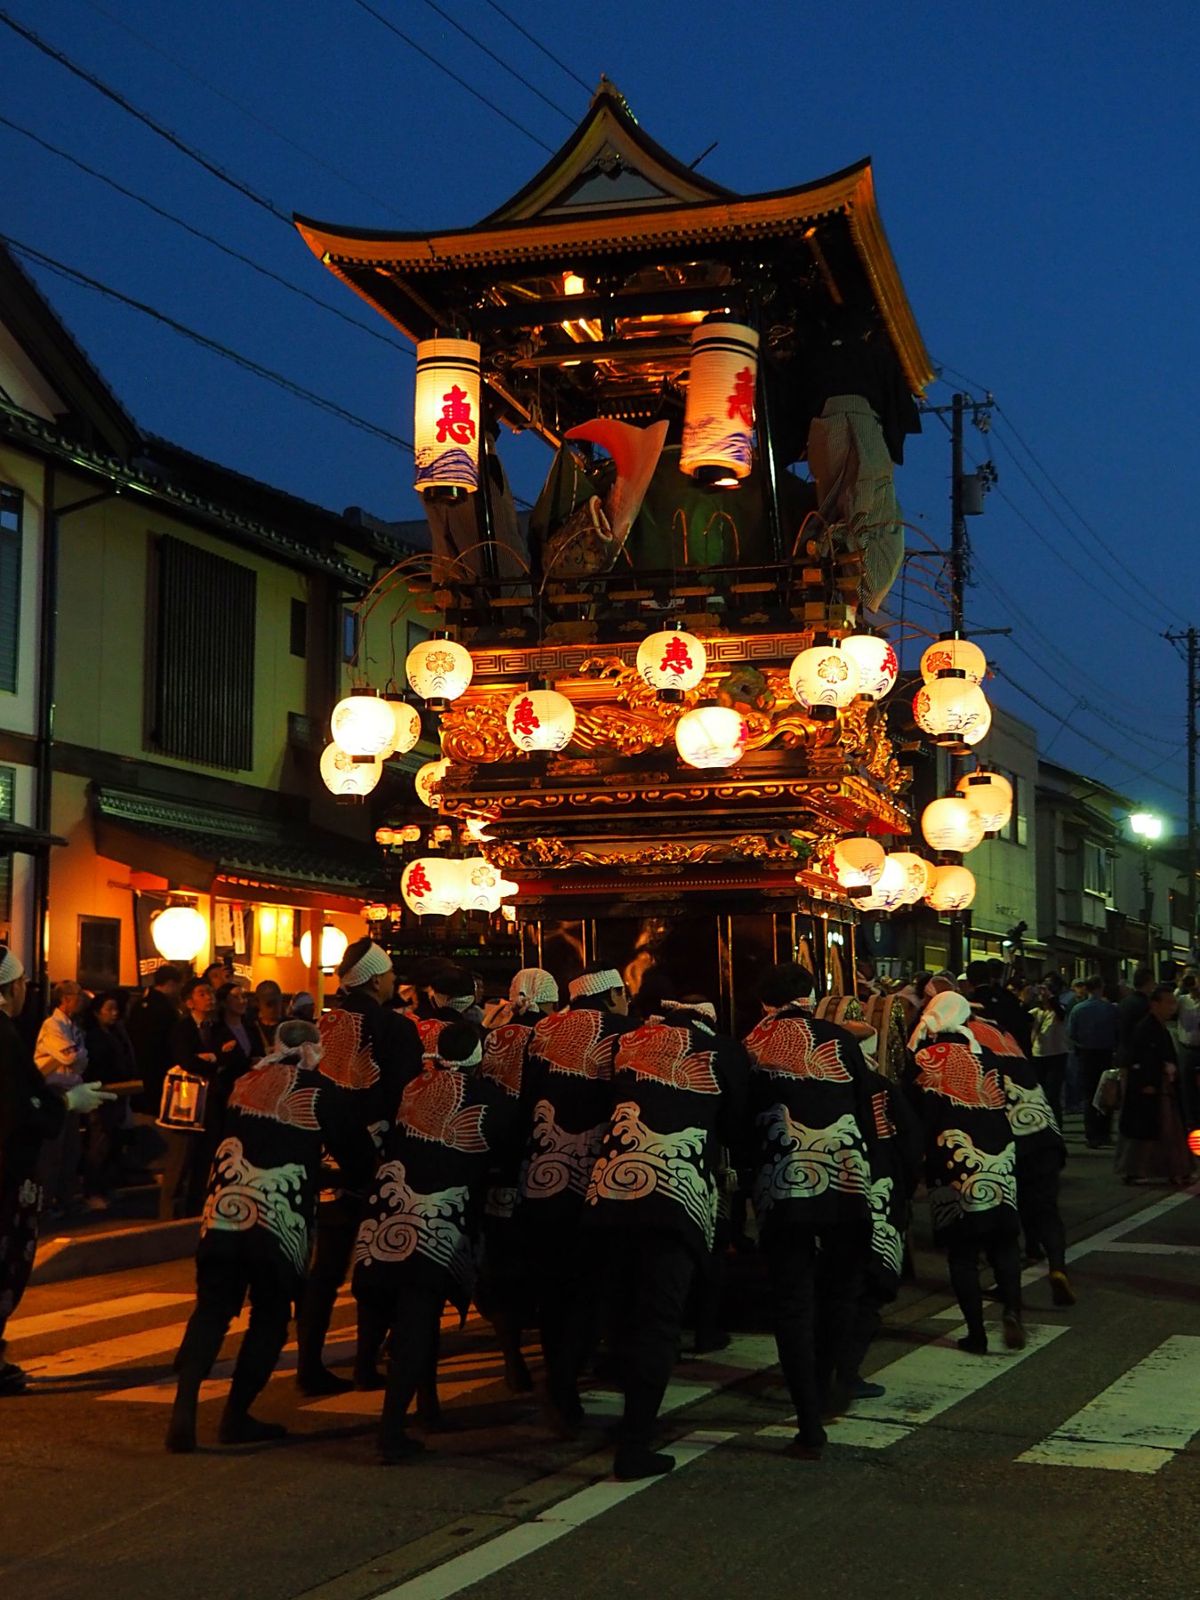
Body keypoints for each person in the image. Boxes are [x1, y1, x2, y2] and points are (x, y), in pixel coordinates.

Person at [165, 1019, 375, 1452]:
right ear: (314, 1051)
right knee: (271, 1314)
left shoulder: (243, 1082)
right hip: (279, 1219)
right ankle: (235, 1416)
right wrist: (327, 1176)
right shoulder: (321, 1092)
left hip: (225, 1207)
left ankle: (183, 1410)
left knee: (212, 1309)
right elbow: (359, 1158)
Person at [584, 992, 749, 1479]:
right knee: (658, 1320)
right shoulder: (723, 1051)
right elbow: (737, 1125)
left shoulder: (629, 1042)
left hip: (609, 1188)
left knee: (621, 1312)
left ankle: (624, 1418)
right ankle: (635, 1444)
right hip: (674, 1194)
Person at [353, 1022, 516, 1464]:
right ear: (479, 1058)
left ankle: (427, 1408)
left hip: (390, 1208)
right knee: (417, 1322)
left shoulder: (413, 1088)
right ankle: (391, 1432)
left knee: (415, 1319)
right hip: (438, 1218)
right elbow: (505, 1156)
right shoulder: (491, 1101)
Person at [744, 963, 876, 1460]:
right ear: (811, 996)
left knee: (793, 1300)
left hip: (784, 1181)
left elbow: (743, 1118)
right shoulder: (840, 1039)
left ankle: (807, 1421)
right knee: (841, 1291)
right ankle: (827, 1385)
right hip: (846, 1175)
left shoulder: (753, 1042)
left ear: (764, 1002)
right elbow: (865, 1105)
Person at [296, 938, 422, 1395]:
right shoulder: (394, 1028)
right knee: (378, 1264)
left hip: (323, 1158)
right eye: (388, 975)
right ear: (374, 980)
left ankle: (308, 1365)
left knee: (325, 1269)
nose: (393, 981)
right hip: (377, 1160)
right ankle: (365, 1365)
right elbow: (406, 1095)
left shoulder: (320, 1026)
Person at [516, 961, 632, 1437]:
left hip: (541, 1175)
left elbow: (523, 1102)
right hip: (597, 1179)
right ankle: (575, 1374)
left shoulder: (540, 1032)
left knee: (554, 1286)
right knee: (593, 1282)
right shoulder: (625, 1033)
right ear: (612, 995)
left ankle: (559, 1377)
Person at [1, 947, 113, 1393]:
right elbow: (18, 1105)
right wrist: (65, 1102)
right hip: (6, 1171)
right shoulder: (4, 1036)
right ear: (11, 988)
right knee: (6, 1261)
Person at [906, 991, 1023, 1355]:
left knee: (962, 1252)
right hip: (1000, 1158)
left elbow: (914, 1117)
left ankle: (976, 1332)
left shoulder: (922, 1058)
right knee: (1004, 1244)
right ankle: (1012, 1310)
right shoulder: (987, 1056)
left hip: (953, 1161)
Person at [476, 967, 560, 1393]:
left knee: (502, 1262)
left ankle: (512, 1359)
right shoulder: (549, 1035)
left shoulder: (492, 1036)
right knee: (547, 1262)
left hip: (496, 1160)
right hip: (541, 1157)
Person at [968, 1014, 1074, 1303]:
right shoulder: (1011, 1047)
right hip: (1044, 1133)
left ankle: (1008, 1284)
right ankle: (1057, 1266)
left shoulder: (977, 1057)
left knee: (1007, 1217)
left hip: (1014, 1142)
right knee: (1046, 1209)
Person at [159, 978, 226, 1221]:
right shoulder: (183, 1028)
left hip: (211, 1103)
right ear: (189, 1002)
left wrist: (213, 1058)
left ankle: (195, 1213)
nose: (209, 997)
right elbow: (187, 1060)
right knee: (180, 1160)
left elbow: (228, 1056)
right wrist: (212, 1060)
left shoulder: (216, 1027)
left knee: (204, 1162)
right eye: (202, 994)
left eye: (210, 993)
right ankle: (169, 1216)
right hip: (187, 1103)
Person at [1116, 986, 1195, 1185]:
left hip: (1162, 1086)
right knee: (1155, 1132)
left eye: (1173, 1003)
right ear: (1154, 1004)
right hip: (1151, 1086)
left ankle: (1175, 1169)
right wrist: (1148, 1082)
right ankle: (1144, 1170)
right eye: (1168, 1003)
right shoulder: (1145, 1028)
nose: (1172, 1007)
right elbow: (1141, 1059)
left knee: (1166, 1131)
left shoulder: (1158, 1027)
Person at [34, 980, 89, 1217]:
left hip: (71, 1089)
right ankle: (46, 1202)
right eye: (77, 995)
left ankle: (65, 1199)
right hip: (54, 1090)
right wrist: (77, 1055)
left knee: (71, 1149)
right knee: (53, 1151)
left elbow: (81, 1059)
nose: (81, 999)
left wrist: (77, 1055)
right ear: (65, 998)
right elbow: (70, 1057)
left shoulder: (72, 1026)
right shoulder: (52, 1025)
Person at [81, 992, 138, 1207]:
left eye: (116, 1009)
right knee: (100, 1142)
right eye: (109, 1009)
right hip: (101, 1092)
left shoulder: (117, 1032)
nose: (114, 1013)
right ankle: (92, 1190)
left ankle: (105, 1185)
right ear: (97, 1012)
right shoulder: (94, 1036)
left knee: (112, 1140)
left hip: (118, 1092)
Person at [1068, 975, 1119, 1147]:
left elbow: (1071, 1033)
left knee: (1089, 1095)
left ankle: (1091, 1134)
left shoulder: (1078, 1009)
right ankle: (1104, 1133)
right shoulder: (1110, 1009)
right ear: (1100, 987)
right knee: (1107, 1093)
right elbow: (1117, 1031)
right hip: (1106, 1053)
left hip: (1086, 1054)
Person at [127, 965, 182, 1113]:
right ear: (171, 983)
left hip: (138, 1062)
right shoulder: (165, 1008)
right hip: (160, 1063)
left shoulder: (139, 1004)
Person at [962, 960, 1033, 1057]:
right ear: (989, 977)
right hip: (1011, 1051)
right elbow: (1022, 1025)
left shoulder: (966, 1003)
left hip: (981, 1053)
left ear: (969, 981)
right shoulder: (1008, 997)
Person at [1028, 987, 1069, 1129]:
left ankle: (1056, 1124)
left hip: (1057, 1054)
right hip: (1038, 1054)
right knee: (1040, 1092)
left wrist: (1050, 996)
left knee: (1053, 1093)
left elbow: (1061, 1013)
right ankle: (1043, 1125)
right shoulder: (1036, 1012)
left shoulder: (1057, 1012)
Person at [212, 981, 268, 1076]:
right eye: (236, 997)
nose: (242, 1001)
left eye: (243, 997)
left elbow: (260, 1052)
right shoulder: (216, 1030)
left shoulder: (251, 1027)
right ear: (224, 1002)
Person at [1116, 967, 1156, 1066]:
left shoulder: (1124, 1002)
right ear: (1148, 982)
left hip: (1123, 1053)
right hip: (1141, 1056)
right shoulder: (1147, 1005)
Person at [252, 980, 284, 1045]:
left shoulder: (290, 1026)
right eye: (269, 1004)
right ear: (258, 1003)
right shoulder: (251, 1028)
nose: (273, 1008)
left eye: (276, 1003)